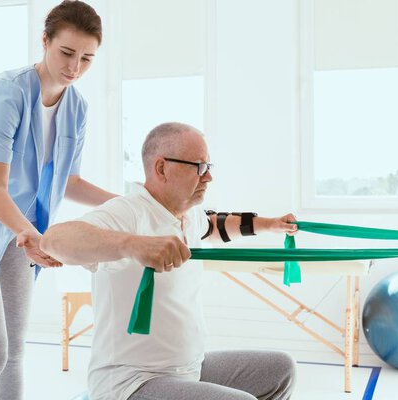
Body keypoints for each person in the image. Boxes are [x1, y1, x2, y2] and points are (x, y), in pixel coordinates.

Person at [0, 2, 159, 399]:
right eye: (67, 53)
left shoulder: (76, 107)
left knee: (16, 351)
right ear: (45, 41)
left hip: (22, 228)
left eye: (87, 58)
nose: (74, 68)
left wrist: (135, 204)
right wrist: (30, 235)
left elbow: (70, 181)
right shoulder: (5, 93)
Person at [41, 122, 298, 400]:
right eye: (199, 167)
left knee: (281, 369)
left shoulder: (187, 213)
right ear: (161, 168)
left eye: (209, 166)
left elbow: (214, 225)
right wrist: (134, 245)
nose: (208, 176)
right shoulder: (127, 212)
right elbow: (54, 240)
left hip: (188, 369)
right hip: (131, 383)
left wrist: (271, 224)